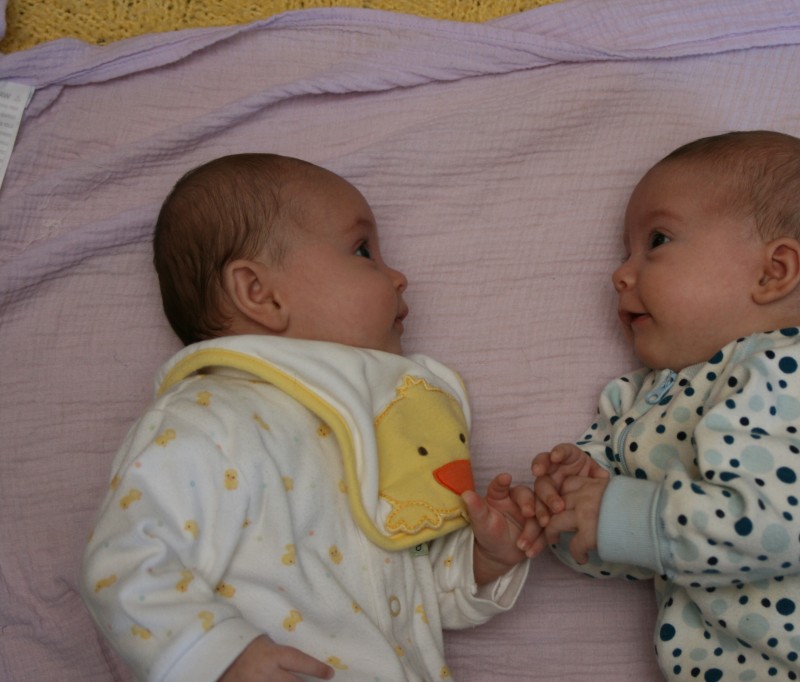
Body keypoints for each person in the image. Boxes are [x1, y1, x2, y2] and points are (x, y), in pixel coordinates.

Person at [80, 153, 544, 682]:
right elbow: (124, 559)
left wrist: (481, 559)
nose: (399, 277)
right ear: (259, 294)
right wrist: (215, 656)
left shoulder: (377, 424)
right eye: (363, 250)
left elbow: (414, 597)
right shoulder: (208, 419)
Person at [530, 131, 800, 681]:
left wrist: (621, 512)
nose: (620, 274)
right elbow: (644, 549)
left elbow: (782, 524)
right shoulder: (645, 402)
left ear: (773, 271)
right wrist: (572, 506)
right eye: (624, 252)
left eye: (657, 240)